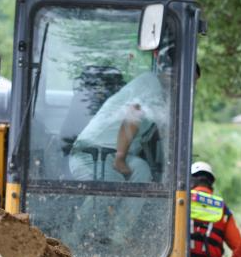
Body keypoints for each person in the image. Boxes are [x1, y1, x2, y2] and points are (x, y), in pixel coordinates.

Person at [69, 43, 174, 182]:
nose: (191, 87)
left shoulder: (162, 95)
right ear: (170, 71)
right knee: (111, 190)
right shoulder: (151, 84)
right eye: (190, 81)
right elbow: (132, 115)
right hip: (93, 154)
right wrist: (120, 158)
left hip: (115, 154)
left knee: (142, 170)